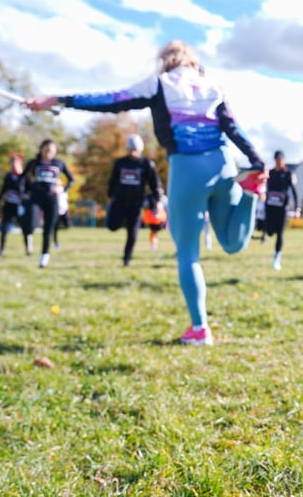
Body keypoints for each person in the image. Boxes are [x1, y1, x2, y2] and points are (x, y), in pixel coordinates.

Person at [25, 39, 267, 346]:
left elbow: (113, 100)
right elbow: (233, 127)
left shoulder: (160, 83)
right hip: (223, 164)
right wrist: (257, 161)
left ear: (165, 60)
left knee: (188, 253)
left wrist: (59, 99)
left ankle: (200, 328)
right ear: (193, 61)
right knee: (232, 244)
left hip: (187, 169)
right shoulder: (211, 85)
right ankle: (249, 194)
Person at [106, 134, 164, 266]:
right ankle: (120, 222)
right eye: (131, 149)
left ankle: (127, 259)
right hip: (120, 201)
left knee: (132, 233)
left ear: (140, 149)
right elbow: (112, 181)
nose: (133, 152)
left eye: (135, 149)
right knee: (112, 226)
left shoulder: (146, 164)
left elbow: (155, 184)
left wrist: (157, 200)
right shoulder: (120, 163)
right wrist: (110, 195)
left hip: (136, 203)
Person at [20, 139, 74, 268]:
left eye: (52, 150)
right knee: (31, 225)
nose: (49, 152)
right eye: (46, 150)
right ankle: (28, 238)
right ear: (41, 150)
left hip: (52, 199)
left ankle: (44, 257)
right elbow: (22, 179)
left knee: (48, 229)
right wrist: (23, 195)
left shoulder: (59, 163)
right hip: (36, 198)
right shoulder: (34, 163)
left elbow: (71, 180)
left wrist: (62, 190)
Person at [263, 150, 299, 271]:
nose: (278, 163)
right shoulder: (271, 173)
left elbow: (294, 191)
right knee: (269, 231)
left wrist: (297, 208)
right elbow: (265, 188)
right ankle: (268, 233)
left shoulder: (289, 174)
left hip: (282, 207)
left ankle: (277, 257)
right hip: (270, 206)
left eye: (280, 160)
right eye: (276, 161)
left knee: (280, 233)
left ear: (284, 160)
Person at [0, 154, 27, 256]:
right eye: (12, 164)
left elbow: (30, 191)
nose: (13, 166)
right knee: (4, 228)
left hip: (20, 206)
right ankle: (1, 250)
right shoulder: (9, 176)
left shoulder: (24, 177)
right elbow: (3, 190)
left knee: (24, 227)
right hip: (9, 205)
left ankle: (28, 249)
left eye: (15, 164)